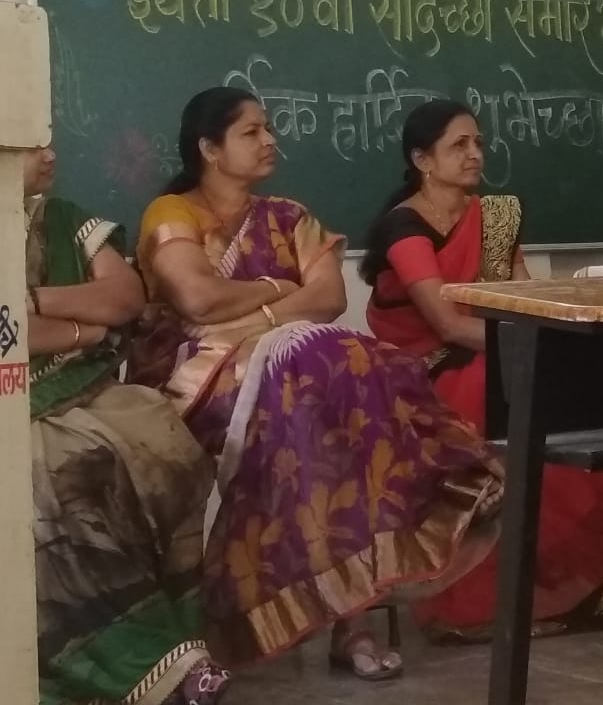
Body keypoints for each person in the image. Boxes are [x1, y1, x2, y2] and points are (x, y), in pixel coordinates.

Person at [128, 88, 504, 681]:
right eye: (252, 131)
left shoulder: (290, 216)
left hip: (292, 380)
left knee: (324, 394)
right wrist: (279, 294)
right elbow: (196, 299)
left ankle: (346, 620)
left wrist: (257, 318)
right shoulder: (172, 213)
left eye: (268, 127)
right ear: (210, 149)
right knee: (322, 381)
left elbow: (328, 298)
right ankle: (349, 624)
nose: (270, 139)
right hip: (193, 377)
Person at [361, 100, 603, 639]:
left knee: (564, 387)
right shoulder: (404, 228)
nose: (475, 154)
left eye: (478, 142)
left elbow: (523, 298)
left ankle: (577, 579)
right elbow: (447, 325)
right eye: (458, 146)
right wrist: (523, 348)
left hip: (490, 353)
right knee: (504, 391)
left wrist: (549, 337)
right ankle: (474, 609)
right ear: (423, 160)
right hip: (424, 372)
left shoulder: (495, 216)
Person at [25, 145, 230, 705]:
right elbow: (14, 333)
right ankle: (139, 669)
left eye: (49, 138)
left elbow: (123, 299)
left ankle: (179, 637)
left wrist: (33, 299)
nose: (48, 153)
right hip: (16, 404)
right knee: (53, 482)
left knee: (165, 448)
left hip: (85, 390)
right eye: (31, 142)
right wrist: (81, 330)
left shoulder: (60, 217)